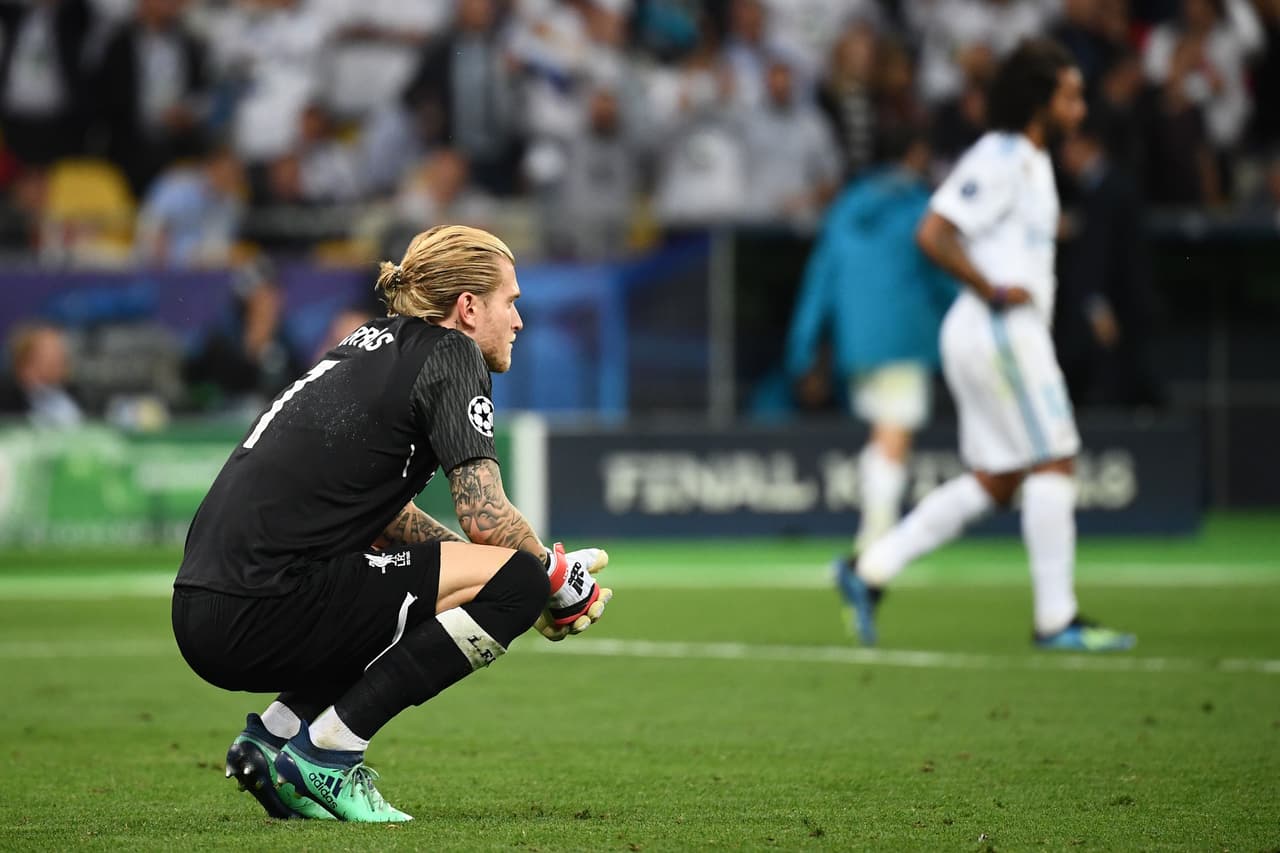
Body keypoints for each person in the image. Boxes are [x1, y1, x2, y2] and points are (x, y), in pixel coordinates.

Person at [171, 225, 613, 822]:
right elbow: (485, 517)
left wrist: (489, 576)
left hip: (206, 606)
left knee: (484, 579)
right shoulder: (451, 354)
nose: (519, 321)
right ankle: (328, 754)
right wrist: (553, 578)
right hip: (266, 602)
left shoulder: (367, 343)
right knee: (519, 581)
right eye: (511, 302)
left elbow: (385, 518)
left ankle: (275, 737)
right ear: (468, 307)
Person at [834, 39, 1135, 652]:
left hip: (993, 332)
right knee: (1055, 458)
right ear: (1039, 102)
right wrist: (992, 288)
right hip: (999, 330)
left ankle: (868, 569)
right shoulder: (1001, 156)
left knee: (999, 479)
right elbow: (934, 232)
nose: (1080, 109)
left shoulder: (1030, 158)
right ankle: (1057, 620)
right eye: (1070, 97)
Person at [785, 126, 956, 558]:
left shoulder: (845, 208)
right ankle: (877, 534)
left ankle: (877, 528)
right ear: (914, 154)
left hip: (856, 341)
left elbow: (819, 281)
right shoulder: (920, 208)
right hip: (904, 335)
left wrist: (802, 347)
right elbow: (943, 275)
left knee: (885, 430)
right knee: (893, 432)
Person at [0, 322, 83, 427]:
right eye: (50, 353)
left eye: (60, 352)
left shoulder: (75, 393)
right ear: (25, 361)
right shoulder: (5, 399)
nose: (59, 358)